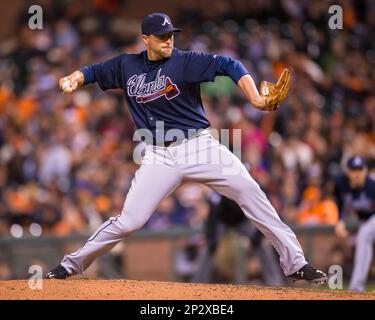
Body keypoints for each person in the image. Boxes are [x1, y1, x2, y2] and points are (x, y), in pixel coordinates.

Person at [46, 13, 327, 284]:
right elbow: (93, 71)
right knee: (129, 221)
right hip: (158, 155)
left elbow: (229, 65)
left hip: (199, 146)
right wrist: (74, 78)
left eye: (170, 35)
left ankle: (296, 264)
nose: (168, 40)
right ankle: (71, 264)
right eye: (161, 36)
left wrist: (254, 98)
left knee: (249, 191)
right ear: (145, 39)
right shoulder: (126, 65)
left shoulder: (185, 62)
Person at [192, 193, 285, 286]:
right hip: (222, 220)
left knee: (262, 245)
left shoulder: (248, 187)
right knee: (209, 247)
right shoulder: (220, 188)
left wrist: (258, 236)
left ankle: (275, 282)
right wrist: (211, 238)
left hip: (243, 219)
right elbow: (213, 216)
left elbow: (261, 210)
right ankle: (198, 283)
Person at [334, 156, 375, 292]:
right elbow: (341, 204)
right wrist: (340, 221)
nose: (357, 173)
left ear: (365, 171)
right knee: (364, 240)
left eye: (360, 169)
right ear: (348, 172)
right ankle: (358, 287)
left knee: (364, 234)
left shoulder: (372, 186)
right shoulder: (342, 184)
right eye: (354, 170)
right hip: (367, 222)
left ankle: (356, 286)